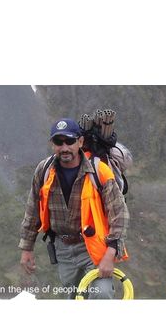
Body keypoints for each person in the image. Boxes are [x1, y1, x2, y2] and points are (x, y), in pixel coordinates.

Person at [19, 118, 129, 299]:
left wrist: (110, 254)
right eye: (58, 142)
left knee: (101, 293)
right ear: (52, 144)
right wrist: (27, 248)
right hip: (63, 249)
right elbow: (32, 211)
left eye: (70, 141)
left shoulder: (99, 171)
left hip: (92, 247)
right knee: (74, 297)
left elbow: (119, 214)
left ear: (80, 141)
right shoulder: (44, 170)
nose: (64, 147)